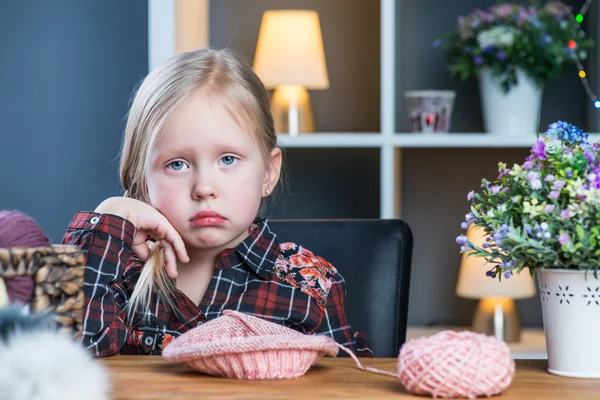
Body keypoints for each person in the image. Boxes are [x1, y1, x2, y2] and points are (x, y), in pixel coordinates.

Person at [62, 47, 372, 358]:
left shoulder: (309, 286)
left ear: (268, 171)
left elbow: (348, 384)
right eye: (177, 164)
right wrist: (107, 219)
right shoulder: (117, 271)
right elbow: (55, 362)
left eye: (227, 159)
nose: (204, 188)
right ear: (142, 179)